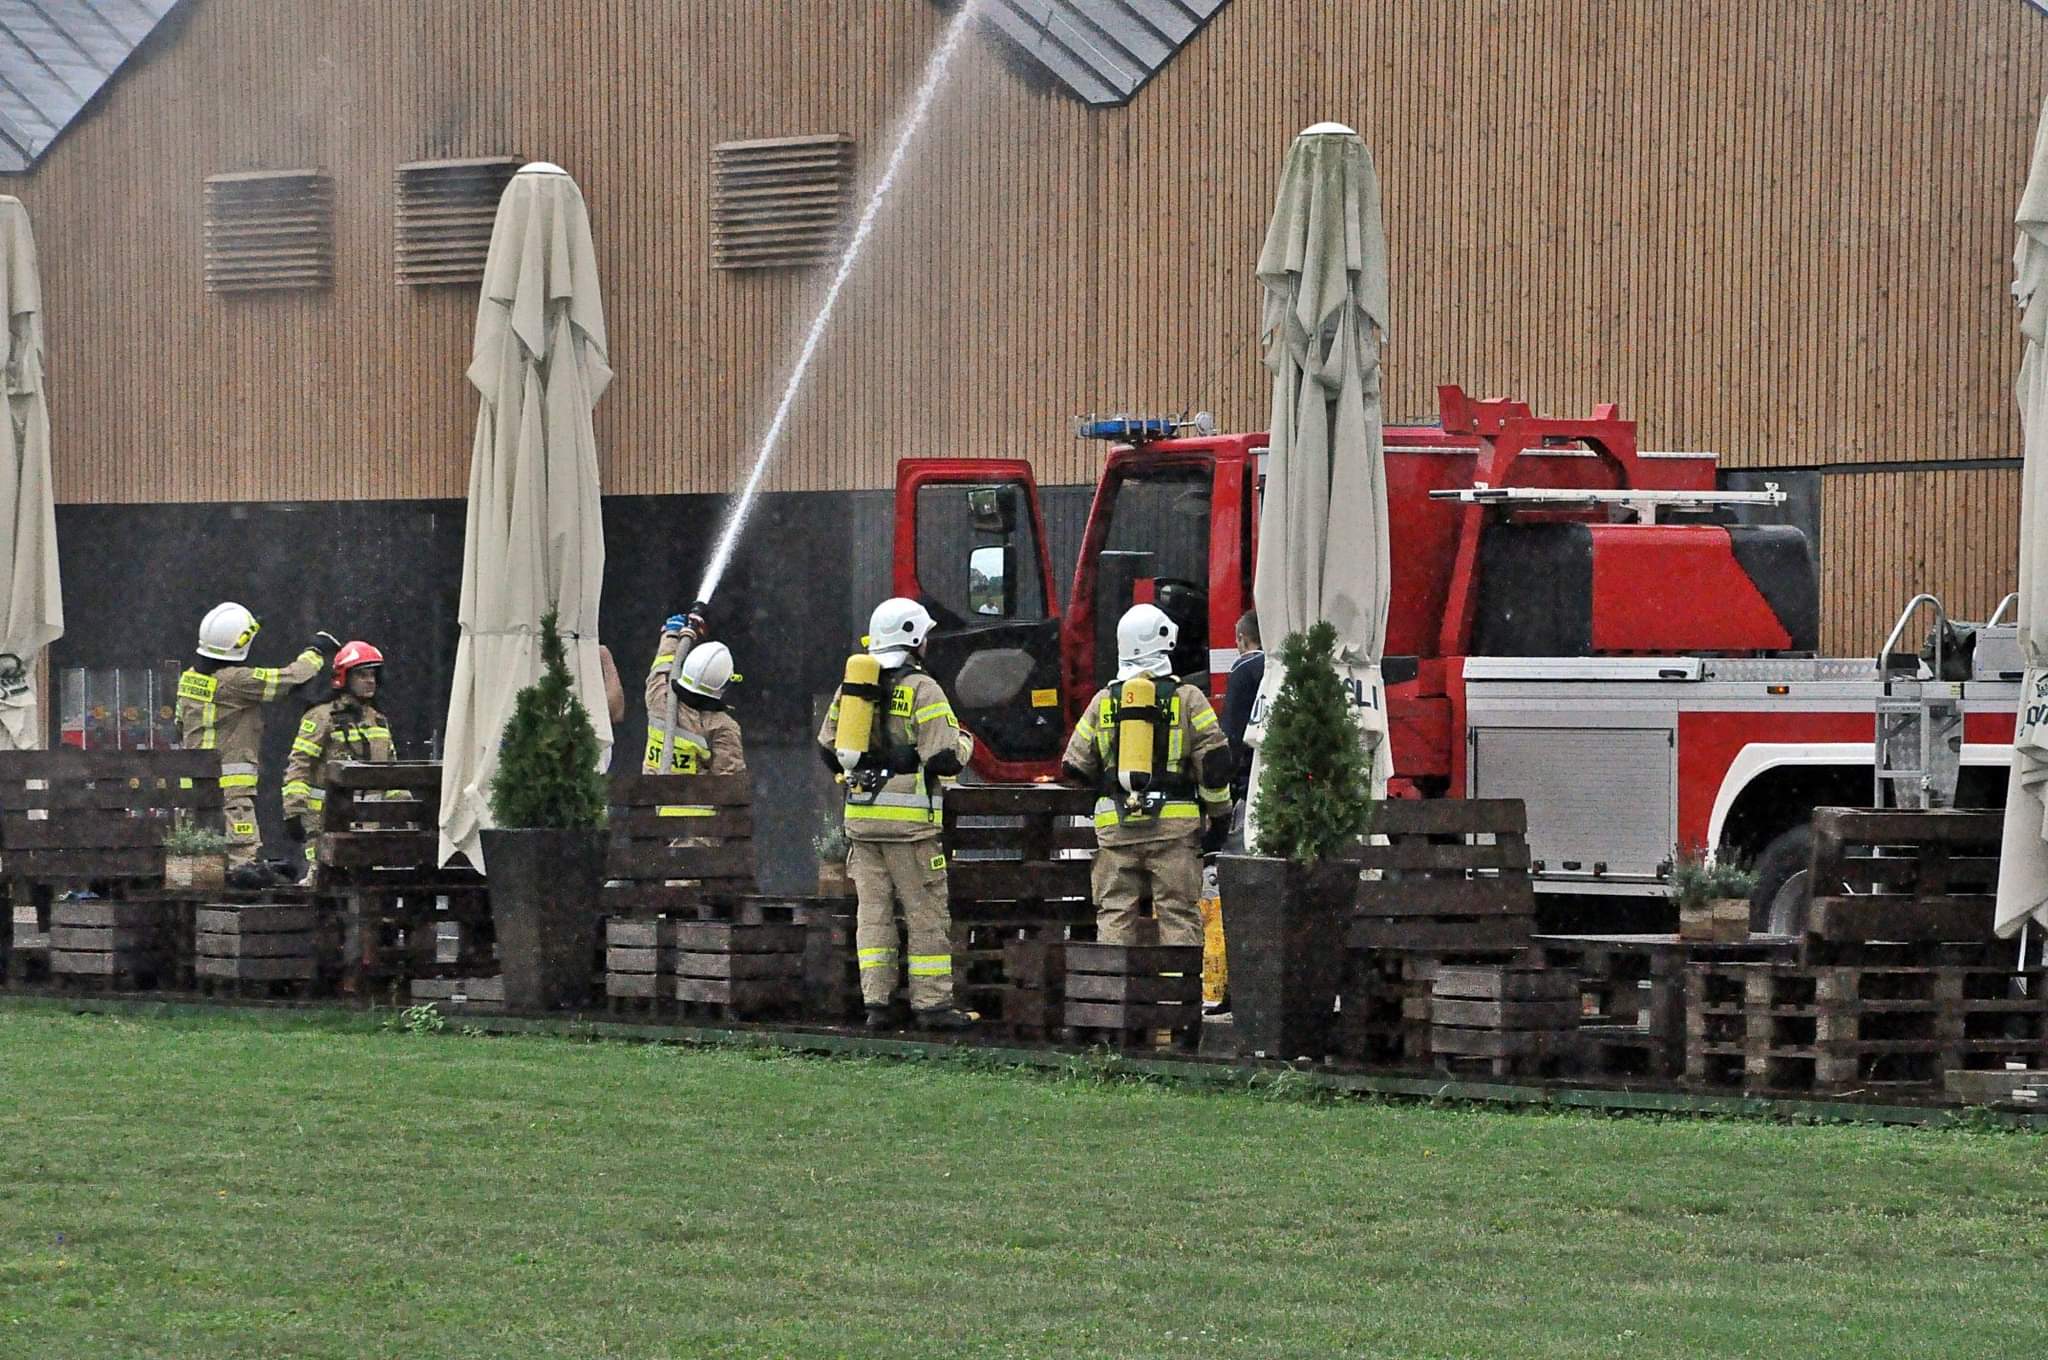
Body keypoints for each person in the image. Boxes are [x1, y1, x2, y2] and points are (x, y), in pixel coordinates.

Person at [816, 597, 974, 1033]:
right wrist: (965, 743)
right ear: (914, 640)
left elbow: (829, 748)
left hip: (863, 823)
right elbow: (944, 758)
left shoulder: (853, 687)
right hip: (910, 829)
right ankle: (933, 1005)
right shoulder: (923, 689)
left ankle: (877, 1004)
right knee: (925, 914)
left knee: (874, 915)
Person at [1061, 603, 1232, 948]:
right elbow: (1214, 764)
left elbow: (1073, 767)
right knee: (1178, 914)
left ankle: (1114, 996)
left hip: (1116, 830)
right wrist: (1220, 817)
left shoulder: (1103, 701)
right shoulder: (1189, 699)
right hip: (1174, 831)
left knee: (1114, 913)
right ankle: (1175, 998)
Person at [175, 602, 336, 887]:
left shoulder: (189, 679)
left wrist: (251, 626)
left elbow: (178, 723)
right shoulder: (235, 682)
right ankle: (239, 919)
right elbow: (289, 678)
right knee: (241, 864)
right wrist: (316, 651)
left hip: (194, 787)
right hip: (230, 789)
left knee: (202, 859)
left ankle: (209, 913)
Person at [281, 640, 394, 880]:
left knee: (367, 883)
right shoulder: (321, 717)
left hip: (370, 825)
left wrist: (402, 811)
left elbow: (391, 772)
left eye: (373, 675)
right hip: (323, 821)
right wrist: (294, 811)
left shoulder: (378, 720)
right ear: (344, 678)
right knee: (321, 881)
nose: (370, 681)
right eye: (362, 675)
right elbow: (299, 765)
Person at [1221, 610, 1264, 806]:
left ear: (1242, 638)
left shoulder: (1242, 669)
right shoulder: (1277, 665)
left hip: (1249, 766)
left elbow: (1233, 729)